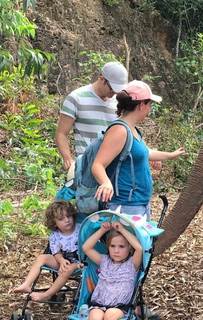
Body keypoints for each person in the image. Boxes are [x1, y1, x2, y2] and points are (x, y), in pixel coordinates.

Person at [91, 80, 185, 221]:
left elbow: (145, 152)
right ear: (142, 105)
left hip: (138, 203)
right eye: (149, 105)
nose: (149, 110)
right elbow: (98, 164)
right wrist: (105, 182)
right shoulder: (120, 130)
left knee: (142, 244)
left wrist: (171, 155)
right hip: (124, 205)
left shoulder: (132, 129)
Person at [55, 61, 128, 172]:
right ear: (102, 79)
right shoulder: (76, 98)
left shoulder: (118, 102)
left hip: (114, 168)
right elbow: (61, 133)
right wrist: (68, 159)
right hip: (86, 167)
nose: (114, 92)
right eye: (112, 88)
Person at [13, 200, 80, 302]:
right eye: (61, 219)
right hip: (62, 260)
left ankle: (47, 295)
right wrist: (61, 261)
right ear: (54, 223)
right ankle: (27, 284)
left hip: (79, 262)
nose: (67, 220)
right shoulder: (55, 235)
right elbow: (56, 252)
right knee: (42, 257)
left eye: (69, 216)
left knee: (67, 269)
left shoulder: (81, 229)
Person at [82, 219, 143, 320]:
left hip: (119, 306)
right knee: (95, 316)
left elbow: (139, 249)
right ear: (108, 247)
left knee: (110, 315)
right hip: (99, 303)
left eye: (121, 247)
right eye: (112, 246)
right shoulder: (104, 261)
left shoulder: (132, 264)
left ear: (130, 248)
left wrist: (122, 230)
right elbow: (86, 248)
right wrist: (102, 230)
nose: (116, 251)